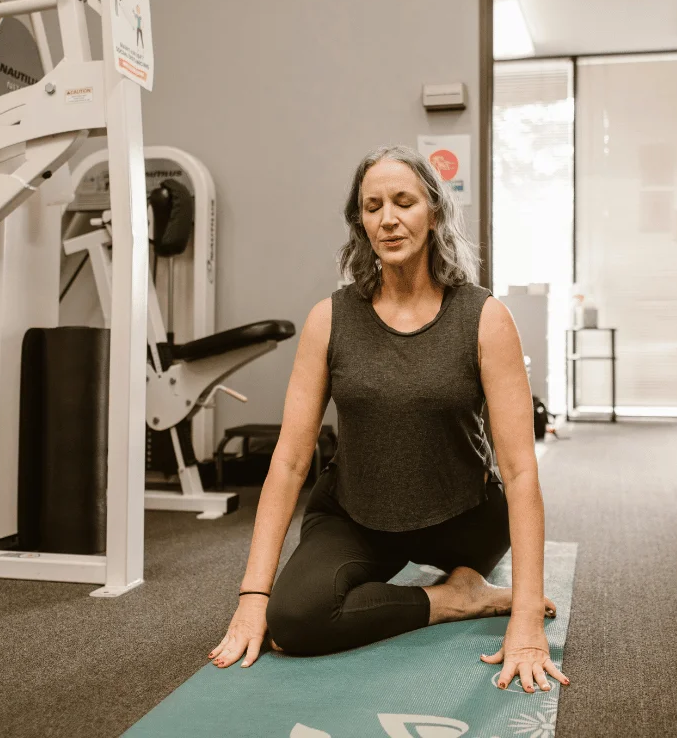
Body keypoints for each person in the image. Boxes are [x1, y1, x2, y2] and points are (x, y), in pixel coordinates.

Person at [209, 145, 567, 695]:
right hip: (358, 512)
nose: (389, 218)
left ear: (434, 212)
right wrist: (253, 598)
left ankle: (468, 583)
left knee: (480, 520)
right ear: (360, 222)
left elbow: (520, 470)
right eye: (373, 206)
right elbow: (290, 461)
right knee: (295, 621)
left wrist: (524, 617)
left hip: (464, 519)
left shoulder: (484, 317)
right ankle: (454, 599)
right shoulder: (330, 319)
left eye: (404, 202)